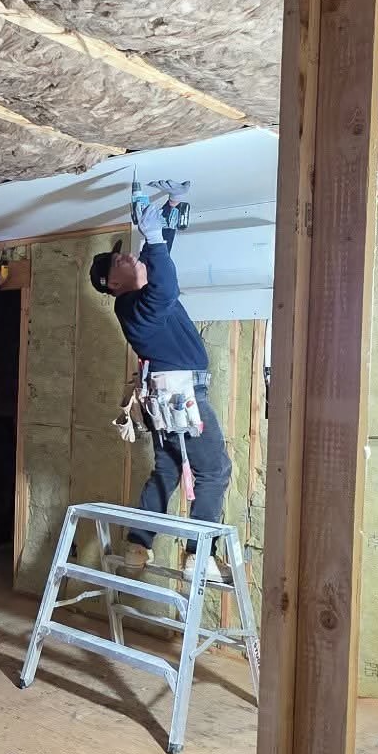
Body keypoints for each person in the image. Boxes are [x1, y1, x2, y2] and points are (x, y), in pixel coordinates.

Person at [88, 190, 232, 570]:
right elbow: (165, 284)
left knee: (168, 469)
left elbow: (157, 262)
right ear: (112, 284)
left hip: (166, 399)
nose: (130, 257)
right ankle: (199, 555)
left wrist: (168, 212)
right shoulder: (136, 306)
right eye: (121, 261)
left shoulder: (135, 300)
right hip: (183, 397)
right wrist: (151, 237)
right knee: (214, 472)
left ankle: (138, 544)